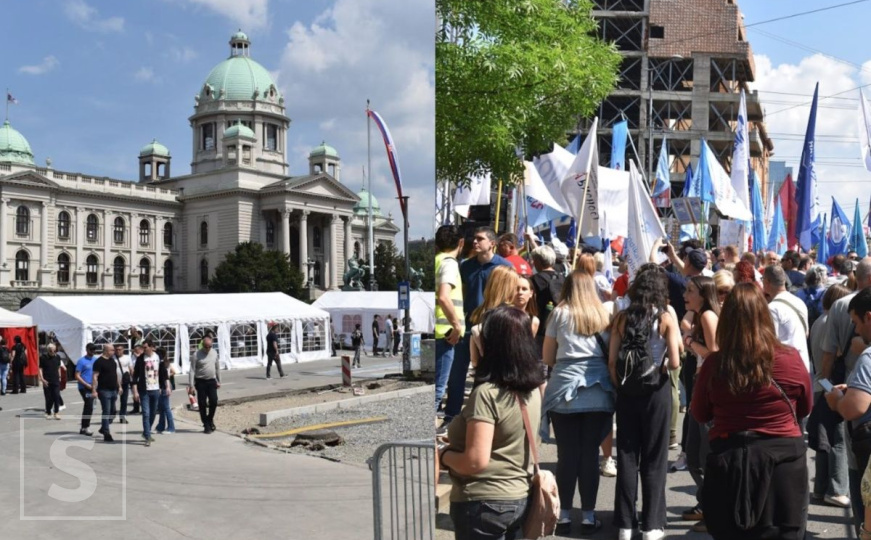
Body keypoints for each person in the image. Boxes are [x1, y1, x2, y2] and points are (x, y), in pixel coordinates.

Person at [693, 283, 812, 540]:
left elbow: (700, 413)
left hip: (729, 460)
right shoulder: (790, 358)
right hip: (783, 464)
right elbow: (805, 407)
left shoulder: (716, 364)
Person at [440, 305, 545, 540]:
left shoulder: (487, 394)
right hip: (519, 498)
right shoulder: (533, 390)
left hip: (483, 504)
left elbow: (475, 461)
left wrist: (443, 455)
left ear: (491, 344)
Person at [609, 265, 681, 540]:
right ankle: (651, 525)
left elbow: (613, 361)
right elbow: (674, 361)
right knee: (654, 458)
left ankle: (625, 525)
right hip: (656, 394)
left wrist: (621, 384)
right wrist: (658, 372)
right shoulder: (665, 318)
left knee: (627, 457)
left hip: (627, 392)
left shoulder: (622, 318)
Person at [541, 271, 613, 534]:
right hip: (599, 390)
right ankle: (589, 516)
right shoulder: (604, 316)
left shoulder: (559, 314)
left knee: (567, 455)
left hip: (564, 390)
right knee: (590, 455)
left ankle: (565, 515)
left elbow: (548, 357)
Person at [443, 226, 512, 426]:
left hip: (493, 326)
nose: (475, 242)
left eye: (480, 239)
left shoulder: (504, 267)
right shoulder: (465, 266)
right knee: (457, 373)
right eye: (474, 238)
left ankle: (482, 416)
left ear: (492, 243)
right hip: (467, 325)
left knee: (487, 374)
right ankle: (451, 417)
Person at [821, 257, 871, 529]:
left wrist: (837, 397)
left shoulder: (867, 357)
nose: (858, 330)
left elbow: (854, 409)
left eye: (857, 323)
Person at [679, 276, 720, 534]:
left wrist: (690, 342)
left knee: (702, 455)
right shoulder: (699, 315)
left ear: (704, 295)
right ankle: (706, 504)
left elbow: (714, 353)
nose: (686, 294)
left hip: (707, 392)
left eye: (690, 290)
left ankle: (712, 510)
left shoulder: (707, 317)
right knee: (692, 454)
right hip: (699, 389)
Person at [809, 284, 852, 508]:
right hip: (830, 384)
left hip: (820, 383)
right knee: (838, 438)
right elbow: (832, 353)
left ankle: (820, 489)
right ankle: (836, 489)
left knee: (825, 441)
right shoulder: (832, 323)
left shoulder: (818, 322)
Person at [435, 224, 465, 412]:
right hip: (445, 333)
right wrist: (456, 326)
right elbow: (444, 297)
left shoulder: (436, 260)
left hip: (436, 332)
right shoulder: (449, 263)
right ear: (461, 243)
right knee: (438, 388)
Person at [469, 266, 519, 367]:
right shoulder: (511, 315)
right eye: (516, 287)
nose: (517, 292)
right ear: (508, 288)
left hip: (483, 372)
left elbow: (474, 360)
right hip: (506, 374)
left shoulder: (478, 313)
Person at [763, 265, 810, 372]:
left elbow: (770, 342)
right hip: (803, 364)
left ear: (766, 282)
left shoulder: (772, 308)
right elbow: (806, 333)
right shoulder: (799, 302)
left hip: (786, 369)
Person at [530, 245, 565, 351]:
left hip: (541, 327)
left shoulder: (534, 279)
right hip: (561, 325)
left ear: (538, 261)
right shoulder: (563, 278)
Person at [132, 339, 166, 446]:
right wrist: (135, 391)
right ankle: (147, 436)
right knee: (146, 413)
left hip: (155, 389)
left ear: (151, 347)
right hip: (144, 389)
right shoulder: (141, 359)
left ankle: (146, 431)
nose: (143, 349)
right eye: (143, 347)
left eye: (145, 347)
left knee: (152, 413)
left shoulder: (158, 357)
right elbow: (135, 375)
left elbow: (163, 372)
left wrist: (164, 386)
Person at [189, 335, 221, 434]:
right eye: (206, 346)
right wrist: (191, 385)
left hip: (212, 381)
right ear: (202, 345)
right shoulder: (196, 355)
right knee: (202, 404)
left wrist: (219, 380)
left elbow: (217, 367)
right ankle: (206, 424)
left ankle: (209, 419)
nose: (208, 349)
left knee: (214, 401)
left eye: (209, 346)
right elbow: (192, 370)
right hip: (201, 381)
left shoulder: (214, 353)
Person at [92, 344, 120, 443]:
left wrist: (119, 386)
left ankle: (103, 427)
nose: (114, 352)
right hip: (104, 390)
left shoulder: (113, 361)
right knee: (106, 412)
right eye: (112, 350)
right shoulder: (99, 362)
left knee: (113, 413)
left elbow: (115, 374)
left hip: (113, 390)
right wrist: (94, 390)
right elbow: (95, 376)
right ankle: (106, 433)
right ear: (106, 351)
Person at [794, 265, 827, 330]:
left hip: (801, 326)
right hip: (820, 328)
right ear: (822, 277)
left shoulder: (799, 292)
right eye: (826, 275)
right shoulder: (825, 293)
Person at [75, 343, 97, 436]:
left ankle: (83, 427)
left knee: (90, 406)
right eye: (91, 349)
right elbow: (77, 375)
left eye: (94, 349)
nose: (92, 351)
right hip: (84, 387)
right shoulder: (81, 361)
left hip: (93, 386)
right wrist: (86, 384)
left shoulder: (96, 360)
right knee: (89, 405)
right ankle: (85, 427)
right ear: (87, 349)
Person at [39, 343, 63, 420]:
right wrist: (42, 379)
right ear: (48, 350)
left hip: (55, 379)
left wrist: (59, 376)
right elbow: (40, 369)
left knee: (56, 396)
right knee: (48, 397)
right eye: (51, 351)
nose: (52, 352)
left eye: (53, 350)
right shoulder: (43, 357)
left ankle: (56, 412)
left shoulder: (57, 357)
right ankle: (48, 411)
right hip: (47, 380)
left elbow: (58, 367)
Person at [156, 349, 176, 435]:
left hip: (164, 386)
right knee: (161, 408)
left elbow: (165, 377)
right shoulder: (161, 363)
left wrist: (166, 387)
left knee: (166, 408)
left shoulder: (162, 364)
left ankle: (171, 427)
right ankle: (161, 426)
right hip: (161, 386)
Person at [114, 344, 134, 424]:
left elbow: (131, 368)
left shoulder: (127, 358)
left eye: (120, 349)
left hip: (124, 382)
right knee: (112, 400)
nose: (118, 351)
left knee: (124, 401)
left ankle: (122, 417)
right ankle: (112, 415)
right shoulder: (112, 358)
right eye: (116, 349)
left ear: (123, 350)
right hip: (114, 382)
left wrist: (133, 380)